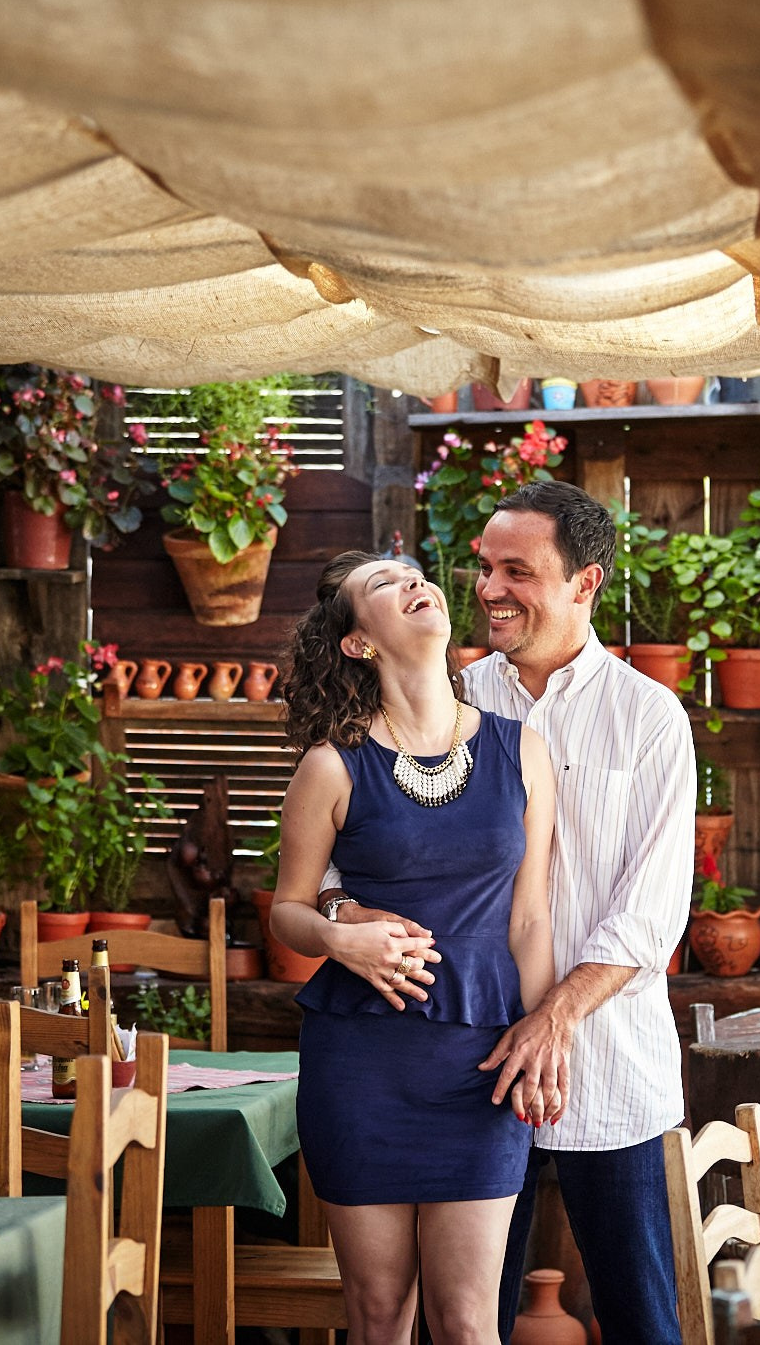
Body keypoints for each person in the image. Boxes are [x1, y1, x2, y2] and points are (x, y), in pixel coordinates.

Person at [323, 481, 693, 1344]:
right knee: (466, 1322)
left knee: (641, 1320)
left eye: (517, 571)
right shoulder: (444, 697)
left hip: (608, 1063)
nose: (488, 589)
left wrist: (554, 1018)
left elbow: (651, 912)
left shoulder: (649, 718)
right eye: (484, 567)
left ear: (584, 583)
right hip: (463, 1064)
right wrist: (349, 923)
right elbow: (342, 850)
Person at [270, 550, 561, 1345]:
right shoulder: (331, 765)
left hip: (482, 1066)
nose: (413, 582)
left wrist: (543, 1040)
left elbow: (529, 920)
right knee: (376, 1316)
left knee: (469, 1320)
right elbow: (286, 910)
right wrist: (339, 937)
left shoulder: (522, 750)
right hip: (361, 1067)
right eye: (382, 584)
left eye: (415, 574)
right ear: (360, 642)